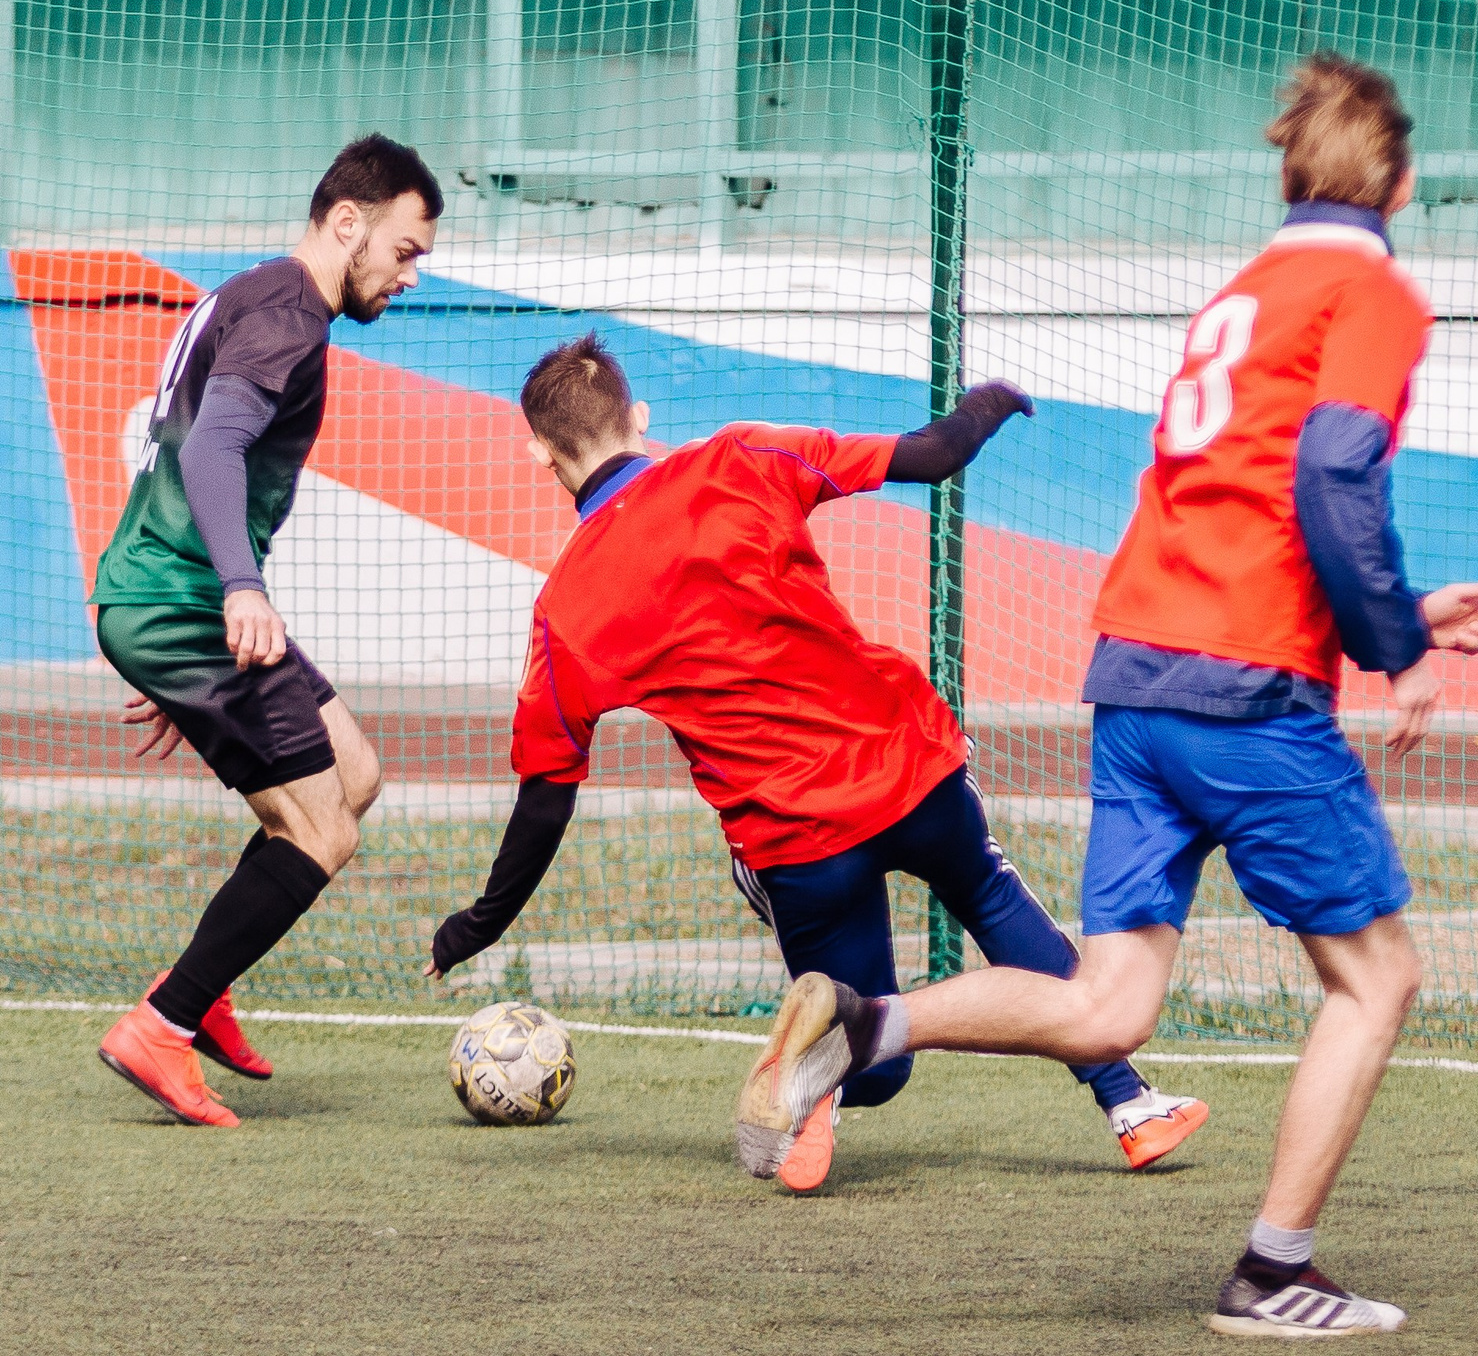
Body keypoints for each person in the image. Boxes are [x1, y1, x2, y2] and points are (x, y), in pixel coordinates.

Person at [733, 53, 1478, 1332]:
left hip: (1139, 674)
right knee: (1376, 980)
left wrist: (1400, 613)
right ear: (1402, 183)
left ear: (1287, 174)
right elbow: (1330, 477)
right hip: (1246, 692)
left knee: (1111, 1001)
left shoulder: (1242, 293)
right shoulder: (1370, 290)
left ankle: (868, 1025)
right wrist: (1393, 647)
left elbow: (1243, 502)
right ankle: (1271, 1270)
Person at [425, 334, 1209, 1191]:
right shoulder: (739, 456)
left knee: (869, 1054)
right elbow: (931, 455)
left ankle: (812, 1101)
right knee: (987, 893)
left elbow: (546, 798)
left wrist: (481, 922)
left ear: (541, 451)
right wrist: (985, 403)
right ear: (637, 418)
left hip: (795, 837)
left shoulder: (565, 607)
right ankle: (1130, 1104)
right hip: (909, 770)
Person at [90, 134, 443, 1126]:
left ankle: (200, 985)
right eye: (405, 250)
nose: (408, 274)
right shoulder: (289, 311)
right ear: (348, 222)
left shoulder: (249, 290)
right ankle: (162, 1023)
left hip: (172, 599)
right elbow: (213, 445)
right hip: (189, 598)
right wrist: (233, 593)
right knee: (322, 826)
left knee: (355, 771)